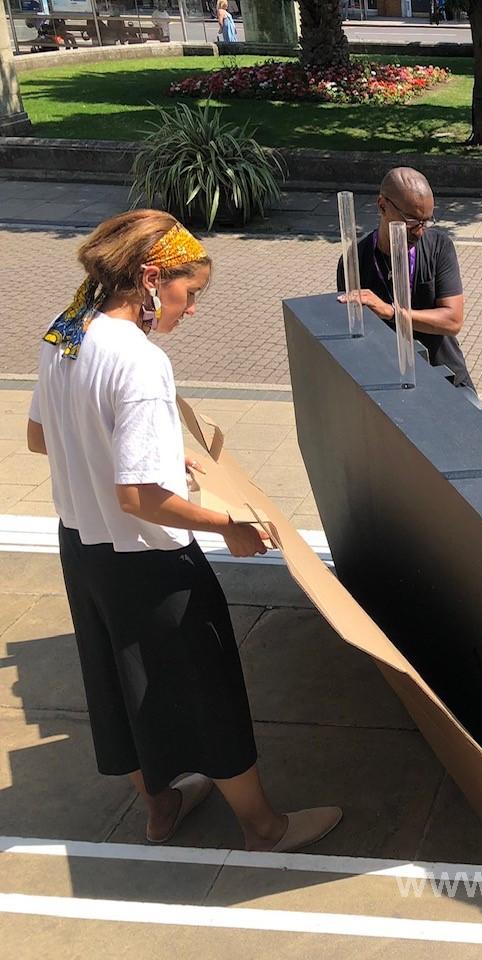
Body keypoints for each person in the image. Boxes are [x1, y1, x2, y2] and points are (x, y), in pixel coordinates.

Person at [28, 210, 342, 852]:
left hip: (83, 549)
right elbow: (142, 496)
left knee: (122, 684)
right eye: (187, 292)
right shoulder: (141, 362)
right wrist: (229, 525)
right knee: (207, 687)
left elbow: (41, 437)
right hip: (149, 559)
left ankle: (161, 806)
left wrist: (160, 447)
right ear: (150, 278)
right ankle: (262, 826)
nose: (190, 308)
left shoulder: (67, 329)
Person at [336, 167, 473, 391]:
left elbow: (453, 320)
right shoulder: (353, 262)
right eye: (411, 221)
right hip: (389, 383)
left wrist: (392, 312)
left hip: (447, 379)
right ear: (382, 206)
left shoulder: (439, 247)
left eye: (425, 221)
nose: (419, 232)